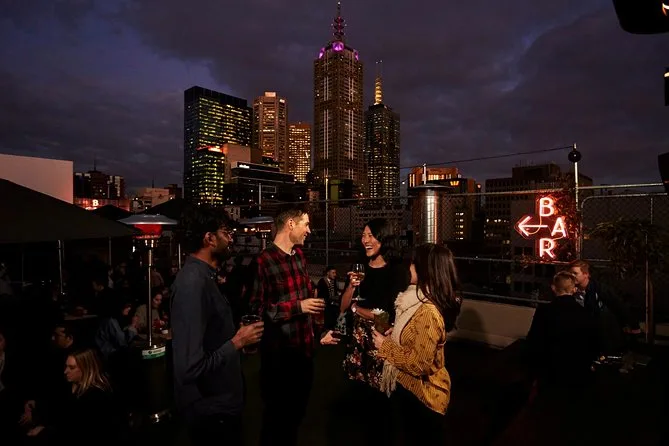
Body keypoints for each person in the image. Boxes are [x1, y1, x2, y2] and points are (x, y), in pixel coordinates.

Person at [171, 205, 264, 446]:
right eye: (226, 233)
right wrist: (237, 342)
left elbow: (211, 338)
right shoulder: (193, 283)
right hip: (210, 413)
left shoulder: (206, 277)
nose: (231, 239)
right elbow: (188, 368)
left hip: (222, 406)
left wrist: (238, 338)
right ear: (209, 239)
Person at [249, 204, 326, 446]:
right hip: (279, 357)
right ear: (291, 224)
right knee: (276, 422)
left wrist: (318, 331)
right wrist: (298, 307)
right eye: (306, 224)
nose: (309, 230)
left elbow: (306, 300)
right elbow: (257, 310)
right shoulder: (263, 261)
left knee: (295, 418)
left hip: (304, 352)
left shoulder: (299, 256)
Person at [372, 243, 461, 445]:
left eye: (413, 263)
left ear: (425, 270)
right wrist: (397, 333)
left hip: (423, 399)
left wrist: (385, 345)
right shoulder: (417, 301)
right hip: (410, 393)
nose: (409, 267)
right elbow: (416, 334)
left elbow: (419, 364)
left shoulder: (428, 312)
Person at [339, 218, 409, 444]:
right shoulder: (359, 266)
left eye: (370, 235)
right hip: (358, 344)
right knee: (361, 403)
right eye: (363, 235)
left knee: (384, 405)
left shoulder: (396, 271)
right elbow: (343, 308)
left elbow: (387, 317)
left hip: (382, 343)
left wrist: (357, 309)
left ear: (383, 238)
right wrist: (351, 287)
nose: (365, 240)